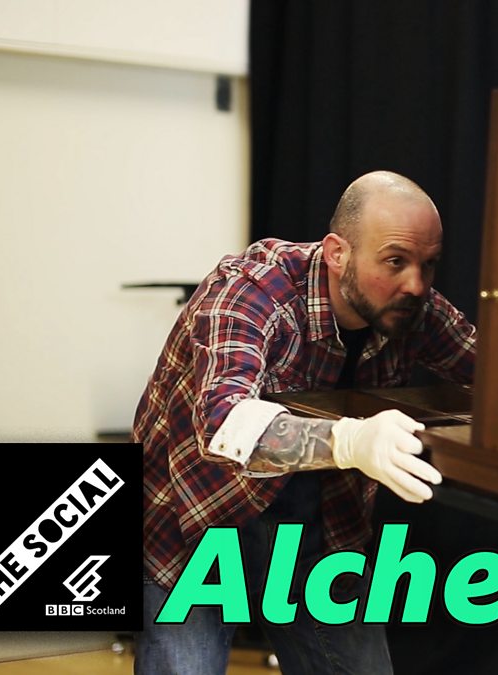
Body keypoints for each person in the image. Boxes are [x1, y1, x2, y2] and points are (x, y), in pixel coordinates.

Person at [132, 171, 476, 674]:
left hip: (319, 527)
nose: (416, 284)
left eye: (429, 264)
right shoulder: (250, 288)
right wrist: (350, 440)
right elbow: (223, 423)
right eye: (395, 261)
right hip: (193, 519)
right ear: (337, 253)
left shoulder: (410, 308)